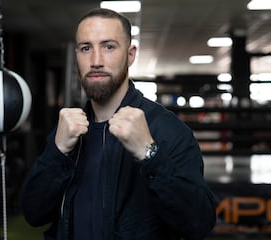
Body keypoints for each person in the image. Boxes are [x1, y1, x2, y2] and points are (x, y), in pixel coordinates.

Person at [20, 8, 216, 240]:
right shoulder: (66, 132)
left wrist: (150, 155)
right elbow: (33, 213)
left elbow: (199, 223)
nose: (95, 61)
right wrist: (57, 152)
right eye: (86, 48)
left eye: (109, 46)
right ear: (77, 56)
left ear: (130, 55)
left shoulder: (168, 131)